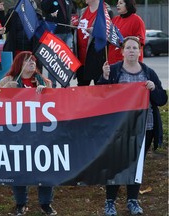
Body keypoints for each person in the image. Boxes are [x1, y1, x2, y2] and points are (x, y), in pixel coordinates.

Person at [98, 36, 168, 216]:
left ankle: (133, 200)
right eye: (127, 48)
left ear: (139, 51)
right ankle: (110, 202)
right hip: (119, 128)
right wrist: (105, 78)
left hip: (145, 127)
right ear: (122, 52)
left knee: (136, 166)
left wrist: (154, 89)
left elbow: (161, 100)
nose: (131, 51)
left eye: (134, 48)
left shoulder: (148, 72)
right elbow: (99, 96)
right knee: (116, 164)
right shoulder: (113, 70)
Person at [0, 51, 57, 216]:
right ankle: (20, 203)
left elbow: (53, 105)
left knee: (44, 167)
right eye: (28, 60)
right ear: (19, 63)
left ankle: (46, 203)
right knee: (19, 167)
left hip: (40, 133)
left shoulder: (45, 82)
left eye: (33, 60)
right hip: (16, 133)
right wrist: (4, 90)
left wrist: (47, 92)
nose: (32, 63)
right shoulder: (8, 81)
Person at [73, 0, 111, 86]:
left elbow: (110, 35)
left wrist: (97, 31)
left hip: (96, 60)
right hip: (81, 60)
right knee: (82, 91)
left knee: (98, 91)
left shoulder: (106, 12)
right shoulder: (83, 11)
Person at [41, 0, 76, 87]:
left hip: (67, 33)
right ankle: (52, 85)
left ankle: (65, 83)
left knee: (66, 60)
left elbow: (73, 12)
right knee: (54, 60)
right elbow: (44, 7)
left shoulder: (68, 1)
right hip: (55, 33)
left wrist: (73, 21)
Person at [108, 0, 145, 64]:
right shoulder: (115, 20)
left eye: (121, 3)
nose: (117, 5)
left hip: (129, 63)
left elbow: (140, 41)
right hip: (113, 61)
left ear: (128, 4)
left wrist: (125, 42)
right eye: (117, 3)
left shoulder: (137, 20)